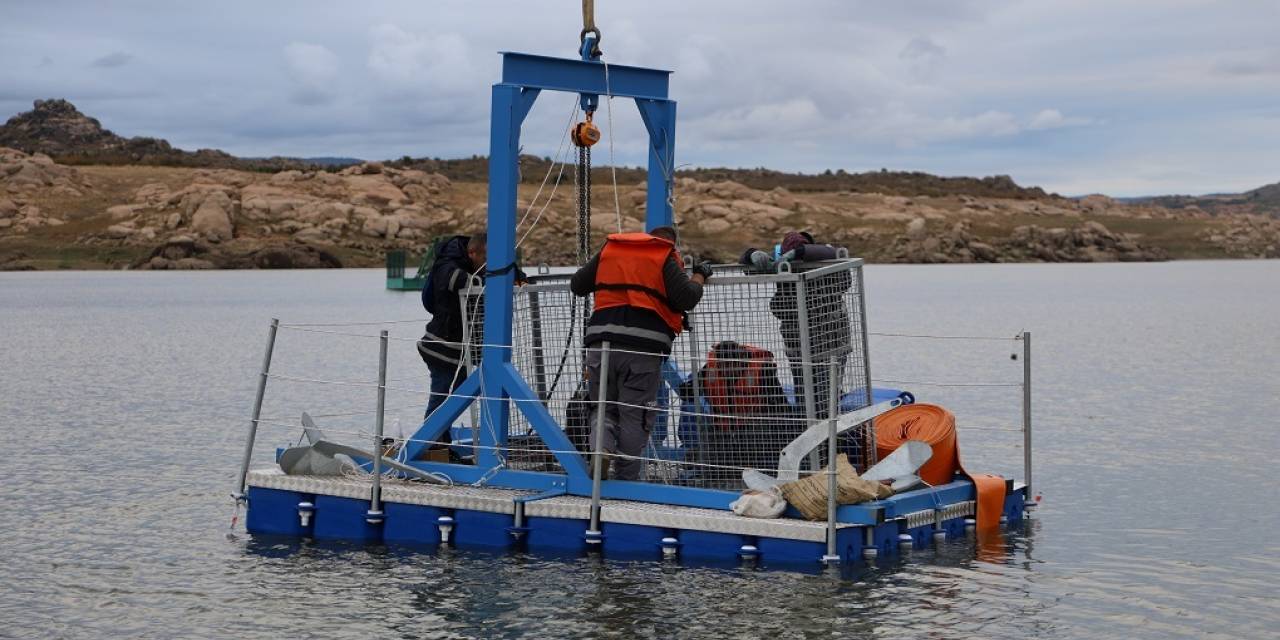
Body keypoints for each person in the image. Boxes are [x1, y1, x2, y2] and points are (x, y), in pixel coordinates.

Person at [570, 226, 710, 481]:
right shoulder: (662, 256)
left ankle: (600, 449)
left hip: (600, 344)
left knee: (602, 408)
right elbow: (687, 298)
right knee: (635, 414)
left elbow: (578, 285)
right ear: (671, 245)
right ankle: (627, 478)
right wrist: (700, 276)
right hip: (642, 349)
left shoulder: (611, 249)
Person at [740, 231, 853, 420]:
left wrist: (798, 254)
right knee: (804, 392)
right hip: (797, 344)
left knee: (826, 396)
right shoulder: (781, 263)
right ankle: (808, 433)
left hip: (831, 343)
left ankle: (827, 436)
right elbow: (745, 261)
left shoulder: (826, 260)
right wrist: (752, 254)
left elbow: (837, 261)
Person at [417, 233, 488, 458]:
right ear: (473, 253)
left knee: (452, 399)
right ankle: (432, 447)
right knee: (441, 399)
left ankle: (440, 442)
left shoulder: (467, 265)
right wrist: (488, 279)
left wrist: (515, 273)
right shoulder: (447, 266)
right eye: (487, 258)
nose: (489, 265)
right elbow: (457, 281)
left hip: (459, 351)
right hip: (441, 348)